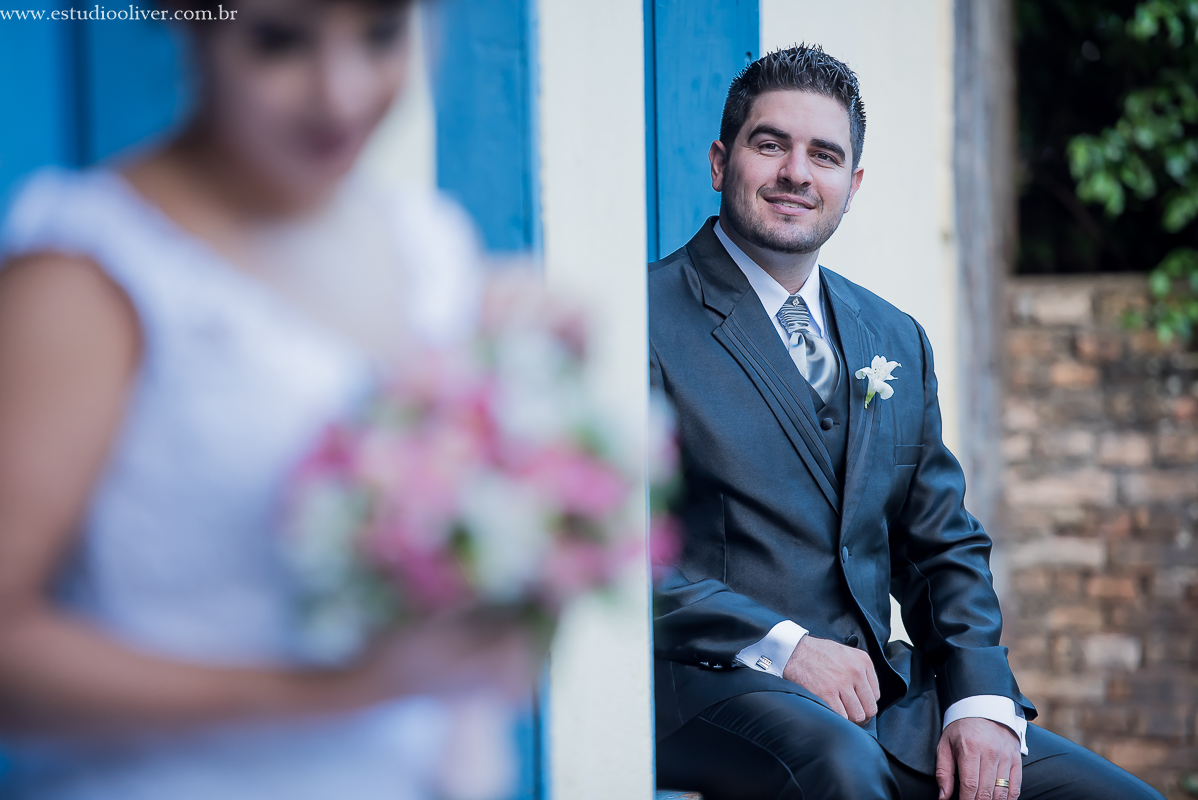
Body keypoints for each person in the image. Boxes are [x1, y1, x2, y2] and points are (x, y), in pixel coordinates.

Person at [0, 1, 530, 798]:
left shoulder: (431, 246)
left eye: (381, 33)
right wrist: (332, 695)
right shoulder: (92, 271)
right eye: (279, 42)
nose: (341, 93)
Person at [649, 45, 1163, 800]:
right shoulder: (645, 317)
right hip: (713, 687)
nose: (797, 172)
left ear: (851, 186)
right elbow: (618, 547)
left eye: (824, 155)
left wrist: (980, 699)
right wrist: (787, 648)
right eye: (771, 144)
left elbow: (941, 544)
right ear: (722, 162)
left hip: (882, 699)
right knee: (842, 771)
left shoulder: (892, 337)